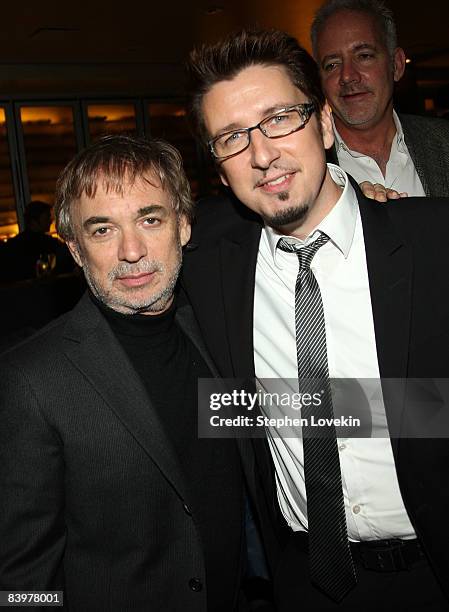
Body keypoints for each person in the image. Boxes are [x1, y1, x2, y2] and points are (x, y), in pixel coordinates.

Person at [183, 28, 449, 610]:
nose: (261, 153)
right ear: (217, 165)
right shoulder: (205, 257)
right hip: (302, 583)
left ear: (325, 125)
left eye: (280, 117)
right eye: (231, 137)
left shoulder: (432, 243)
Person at [0, 135, 246, 611]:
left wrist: (429, 412)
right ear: (73, 248)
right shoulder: (29, 382)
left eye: (149, 219)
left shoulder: (219, 332)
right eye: (102, 230)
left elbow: (301, 414)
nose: (132, 251)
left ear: (184, 226)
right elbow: (19, 579)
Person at [310, 0, 449, 198]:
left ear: (397, 65)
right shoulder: (304, 164)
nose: (348, 76)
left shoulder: (443, 142)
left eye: (364, 56)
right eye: (332, 65)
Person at [0, 200, 74, 282]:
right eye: (46, 218)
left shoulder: (13, 244)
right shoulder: (48, 244)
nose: (50, 221)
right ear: (34, 221)